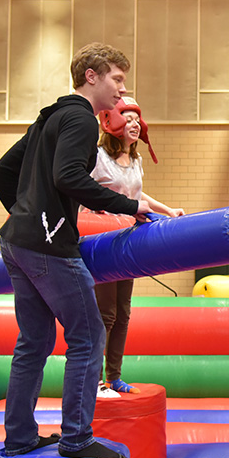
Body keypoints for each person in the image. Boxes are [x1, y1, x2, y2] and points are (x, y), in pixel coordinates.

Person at [0, 42, 153, 458]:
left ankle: (20, 438)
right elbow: (68, 177)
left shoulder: (50, 116)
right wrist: (131, 206)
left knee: (34, 342)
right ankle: (77, 438)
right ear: (92, 77)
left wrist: (25, 215)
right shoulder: (80, 118)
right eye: (117, 79)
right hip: (48, 247)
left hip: (18, 241)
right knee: (88, 336)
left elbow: (2, 171)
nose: (122, 91)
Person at [91, 96, 184, 397]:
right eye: (126, 118)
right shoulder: (98, 158)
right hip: (102, 243)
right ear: (112, 123)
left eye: (136, 119)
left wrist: (168, 210)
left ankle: (115, 377)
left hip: (127, 243)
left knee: (122, 313)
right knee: (105, 313)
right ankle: (95, 380)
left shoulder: (136, 161)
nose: (133, 124)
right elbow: (82, 191)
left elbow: (139, 195)